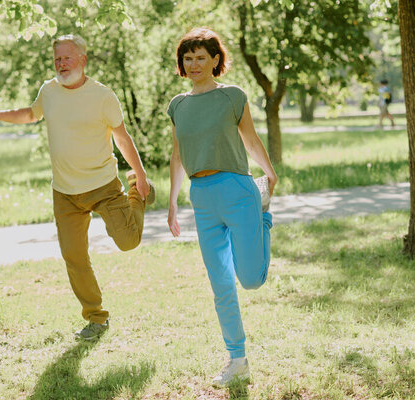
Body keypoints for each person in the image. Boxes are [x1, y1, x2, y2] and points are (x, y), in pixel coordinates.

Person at [0, 34, 155, 341]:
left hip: (103, 185)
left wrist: (141, 174)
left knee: (128, 242)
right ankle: (96, 317)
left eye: (67, 58)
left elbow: (122, 137)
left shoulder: (103, 96)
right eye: (57, 59)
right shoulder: (49, 91)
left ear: (83, 60)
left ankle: (136, 193)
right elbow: (30, 113)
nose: (61, 64)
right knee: (74, 256)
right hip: (65, 192)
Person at [166, 28, 277, 387]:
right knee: (221, 284)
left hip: (237, 190)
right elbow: (178, 155)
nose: (194, 63)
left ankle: (264, 219)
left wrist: (269, 173)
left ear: (216, 61)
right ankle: (237, 359)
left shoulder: (232, 96)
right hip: (202, 197)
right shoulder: (178, 105)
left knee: (251, 280)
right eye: (188, 58)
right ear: (182, 64)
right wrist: (171, 202)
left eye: (201, 57)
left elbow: (250, 139)